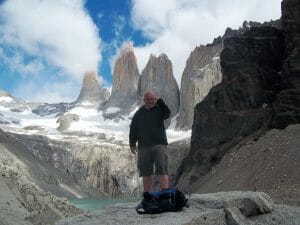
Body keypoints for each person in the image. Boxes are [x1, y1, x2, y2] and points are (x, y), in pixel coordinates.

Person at [129, 91, 171, 192]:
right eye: (148, 99)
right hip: (143, 147)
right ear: (144, 100)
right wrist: (132, 143)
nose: (151, 101)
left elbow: (167, 114)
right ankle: (147, 196)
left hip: (159, 145)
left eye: (153, 99)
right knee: (146, 173)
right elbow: (133, 128)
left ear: (155, 99)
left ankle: (165, 195)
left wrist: (160, 102)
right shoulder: (139, 113)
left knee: (162, 169)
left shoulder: (159, 109)